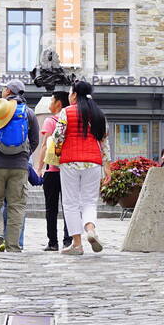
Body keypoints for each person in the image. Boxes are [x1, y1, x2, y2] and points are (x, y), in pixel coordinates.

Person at [0, 79, 39, 254]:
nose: (2, 90)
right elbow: (35, 140)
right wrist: (24, 154)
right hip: (20, 166)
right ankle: (13, 246)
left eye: (4, 88)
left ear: (9, 91)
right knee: (16, 206)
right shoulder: (29, 113)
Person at [55, 79, 110, 256]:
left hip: (70, 161)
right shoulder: (99, 115)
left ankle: (77, 244)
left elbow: (58, 137)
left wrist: (56, 153)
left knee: (70, 203)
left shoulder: (66, 112)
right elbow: (104, 142)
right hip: (93, 162)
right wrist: (107, 167)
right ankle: (91, 230)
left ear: (75, 95)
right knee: (89, 201)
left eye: (71, 93)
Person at [35, 90, 71, 251]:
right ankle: (68, 240)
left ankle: (53, 242)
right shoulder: (71, 120)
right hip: (69, 170)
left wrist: (39, 167)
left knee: (51, 209)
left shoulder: (51, 121)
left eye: (51, 100)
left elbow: (44, 146)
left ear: (58, 103)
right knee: (69, 207)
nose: (49, 104)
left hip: (52, 171)